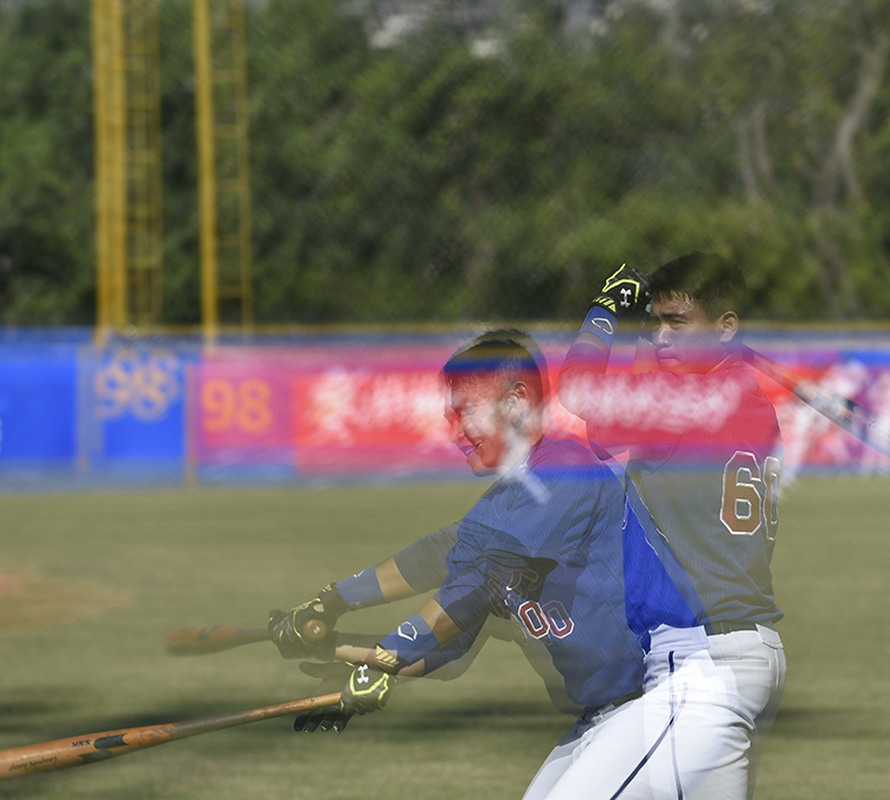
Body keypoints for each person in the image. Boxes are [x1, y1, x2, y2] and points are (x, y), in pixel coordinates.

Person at [266, 331, 658, 788]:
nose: (454, 432)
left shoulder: (565, 471)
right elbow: (448, 637)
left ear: (516, 402)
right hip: (601, 719)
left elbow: (477, 585)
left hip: (649, 704)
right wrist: (335, 633)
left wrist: (384, 661)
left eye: (465, 412)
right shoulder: (501, 506)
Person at [554, 254, 787, 799]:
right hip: (742, 652)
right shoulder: (746, 399)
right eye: (655, 324)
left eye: (677, 324)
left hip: (699, 664)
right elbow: (612, 433)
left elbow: (578, 392)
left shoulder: (681, 403)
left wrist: (604, 311)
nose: (661, 337)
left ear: (726, 327)